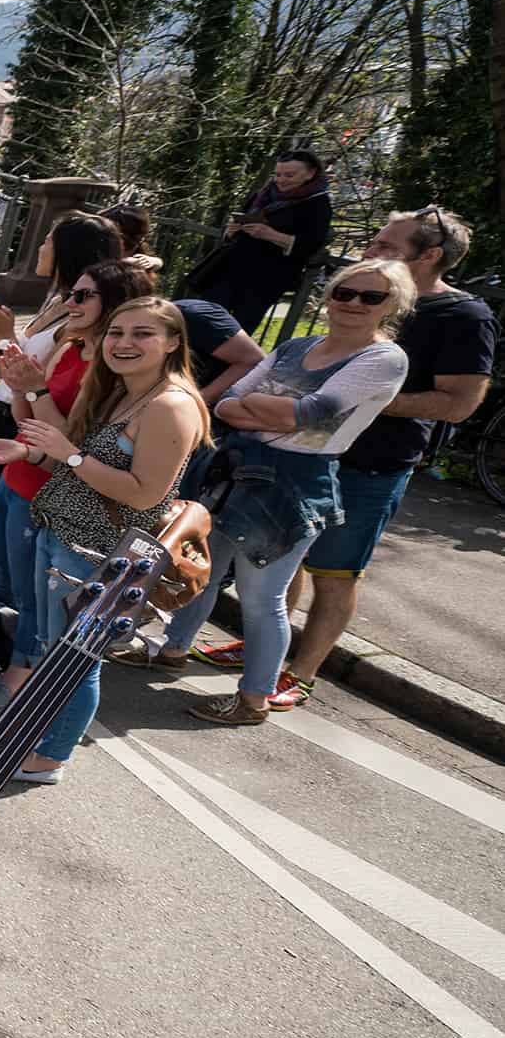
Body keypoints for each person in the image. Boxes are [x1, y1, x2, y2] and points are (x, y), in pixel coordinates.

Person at [124, 262, 413, 724]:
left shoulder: (383, 359)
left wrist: (265, 410)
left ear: (392, 305)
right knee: (200, 570)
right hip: (236, 470)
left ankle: (253, 700)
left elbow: (310, 414)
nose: (353, 302)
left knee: (262, 599)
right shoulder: (298, 345)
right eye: (344, 291)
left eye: (370, 297)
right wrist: (276, 412)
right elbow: (229, 402)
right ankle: (171, 649)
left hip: (293, 485)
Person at [0, 298, 209, 782]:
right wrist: (29, 453)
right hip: (60, 535)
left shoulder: (171, 405)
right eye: (118, 332)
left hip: (99, 556)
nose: (124, 343)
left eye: (142, 334)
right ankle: (29, 733)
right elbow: (74, 464)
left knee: (75, 663)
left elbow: (145, 496)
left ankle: (50, 758)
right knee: (47, 645)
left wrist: (71, 455)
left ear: (173, 343)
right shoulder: (123, 391)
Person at [262, 209, 493, 708]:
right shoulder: (369, 297)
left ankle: (300, 673)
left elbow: (460, 402)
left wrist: (363, 400)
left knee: (336, 571)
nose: (371, 253)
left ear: (430, 256)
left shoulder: (464, 316)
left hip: (373, 464)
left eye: (387, 247)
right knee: (288, 554)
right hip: (307, 453)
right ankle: (265, 650)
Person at [0, 259, 150, 715]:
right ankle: (15, 669)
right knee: (8, 584)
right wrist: (9, 357)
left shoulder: (108, 373)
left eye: (84, 296)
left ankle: (16, 687)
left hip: (49, 495)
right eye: (72, 292)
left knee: (35, 600)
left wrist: (36, 392)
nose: (70, 302)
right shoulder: (69, 346)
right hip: (17, 475)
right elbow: (23, 414)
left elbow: (71, 442)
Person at [194, 149, 335, 334]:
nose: (281, 180)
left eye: (289, 175)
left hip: (264, 280)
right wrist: (232, 230)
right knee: (201, 321)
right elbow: (237, 223)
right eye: (278, 174)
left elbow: (311, 244)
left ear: (310, 173)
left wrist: (271, 235)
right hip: (229, 270)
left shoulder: (318, 203)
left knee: (235, 331)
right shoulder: (264, 193)